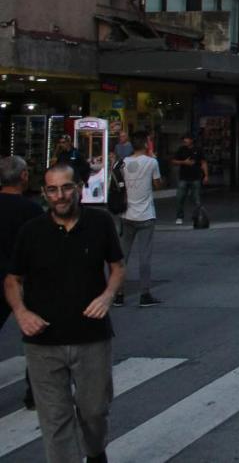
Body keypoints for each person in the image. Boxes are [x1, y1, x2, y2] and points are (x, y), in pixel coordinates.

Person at [6, 163, 124, 463]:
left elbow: (117, 267)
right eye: (53, 189)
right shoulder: (31, 231)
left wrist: (108, 296)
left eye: (67, 187)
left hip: (91, 337)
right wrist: (20, 312)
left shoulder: (100, 223)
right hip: (43, 341)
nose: (60, 195)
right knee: (55, 419)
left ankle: (96, 452)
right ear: (44, 193)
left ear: (79, 187)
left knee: (94, 411)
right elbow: (12, 279)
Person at [0, 157, 42, 410]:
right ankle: (34, 392)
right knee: (35, 334)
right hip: (22, 281)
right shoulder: (32, 211)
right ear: (24, 176)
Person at [115, 132, 161, 308]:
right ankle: (145, 294)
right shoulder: (151, 162)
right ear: (145, 144)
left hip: (127, 214)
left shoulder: (122, 163)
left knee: (123, 256)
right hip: (146, 214)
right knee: (145, 256)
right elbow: (158, 185)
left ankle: (119, 294)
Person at [171, 134, 207, 226]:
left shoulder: (198, 149)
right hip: (183, 178)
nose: (185, 140)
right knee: (180, 198)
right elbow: (173, 161)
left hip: (196, 177)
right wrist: (184, 162)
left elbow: (203, 162)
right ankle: (179, 216)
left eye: (187, 139)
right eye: (184, 139)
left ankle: (198, 216)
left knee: (196, 199)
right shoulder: (181, 149)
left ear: (191, 140)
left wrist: (206, 175)